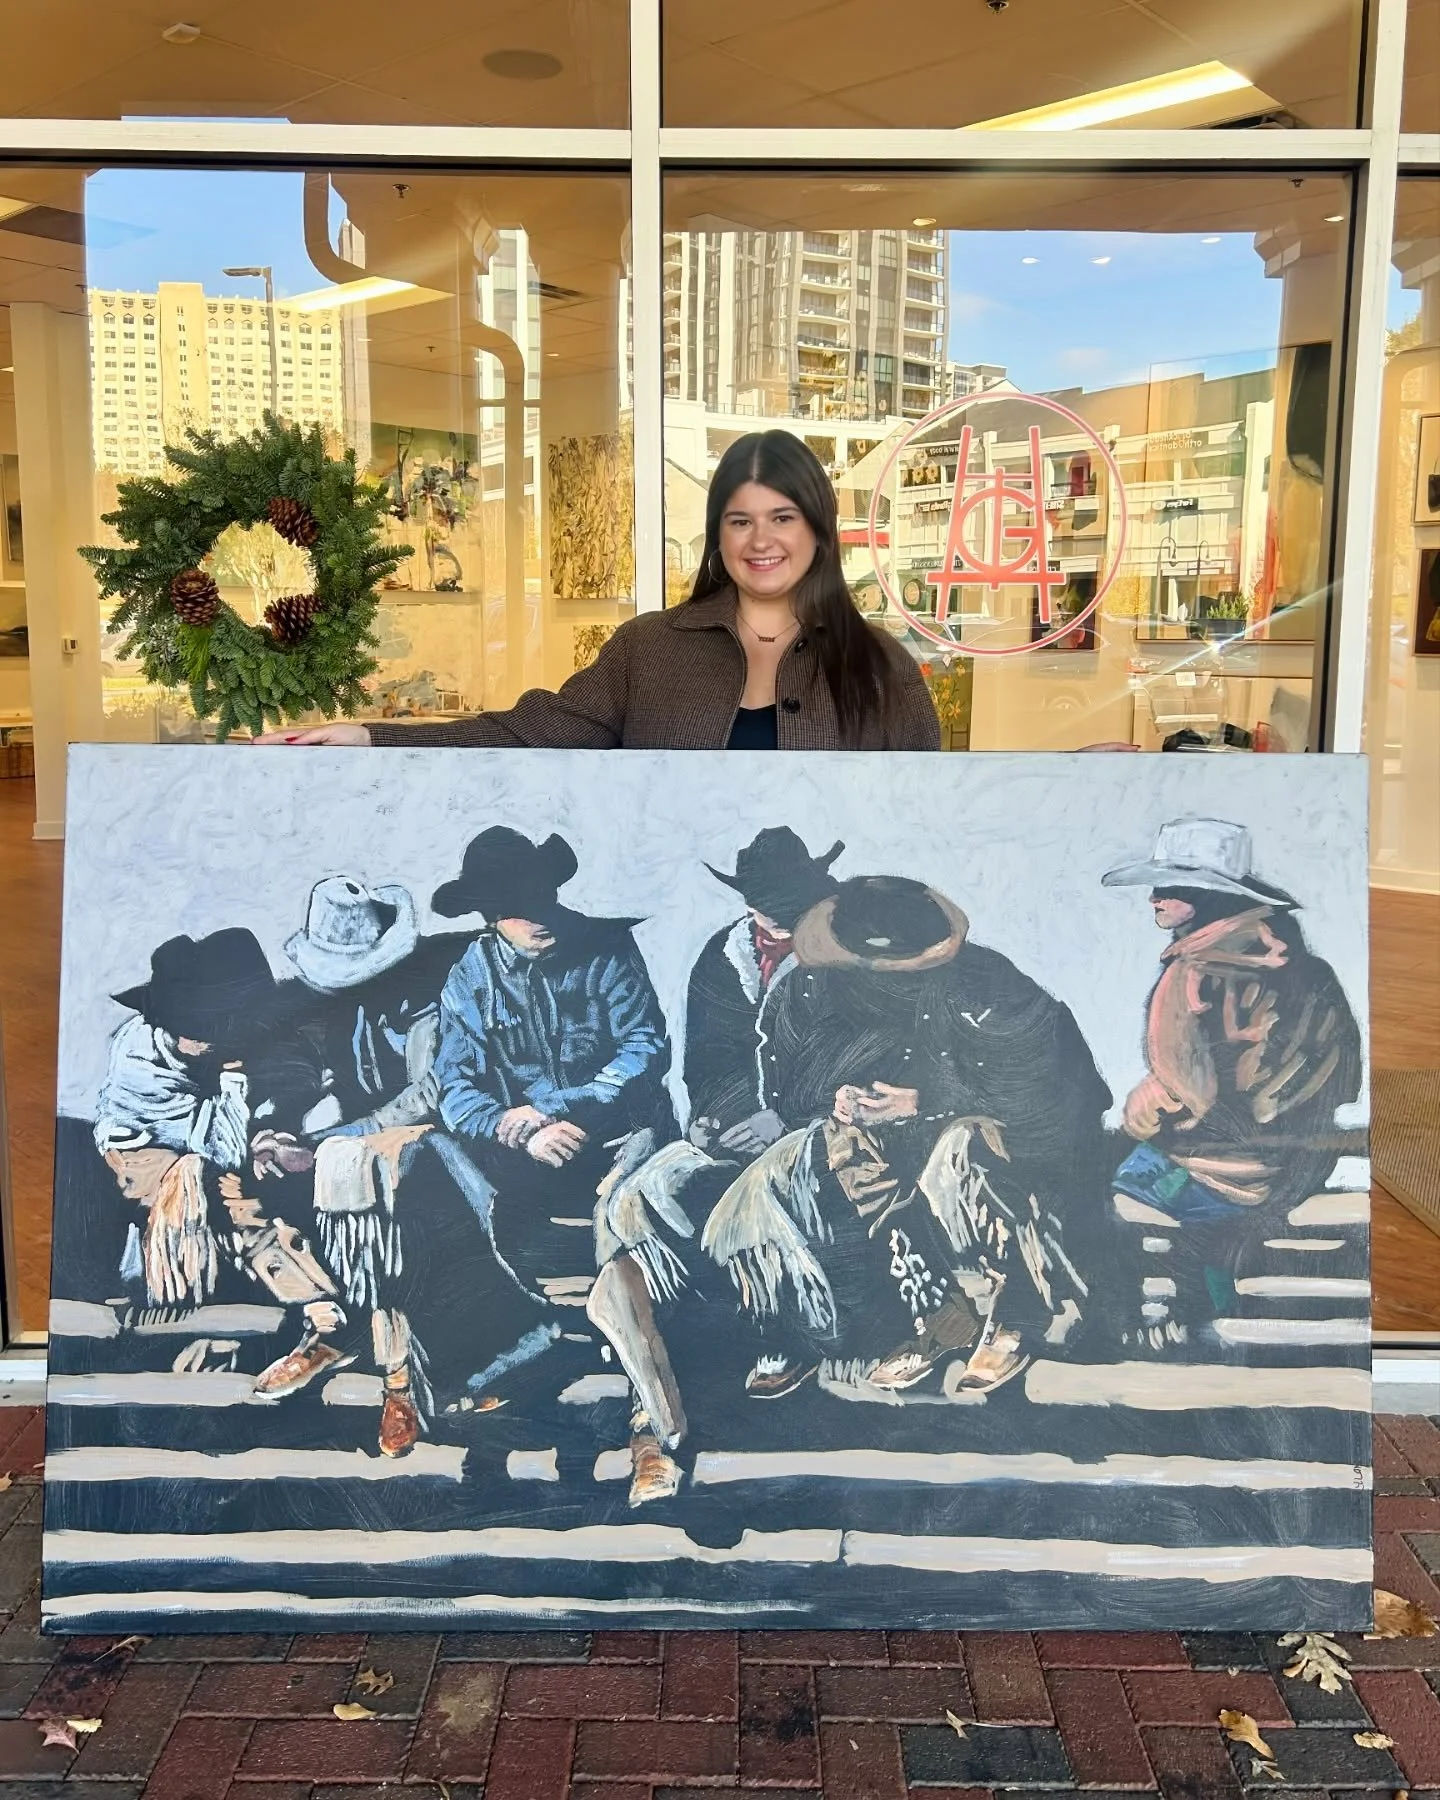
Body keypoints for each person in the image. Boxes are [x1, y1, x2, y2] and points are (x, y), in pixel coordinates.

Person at [256, 431, 941, 753]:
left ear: (818, 529)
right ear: (719, 534)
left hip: (835, 956)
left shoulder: (882, 667)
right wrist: (371, 737)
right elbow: (528, 733)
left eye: (782, 518)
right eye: (741, 520)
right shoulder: (650, 650)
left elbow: (930, 818)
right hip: (668, 921)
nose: (761, 541)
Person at [701, 875, 1113, 1398]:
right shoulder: (811, 988)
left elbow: (1058, 1089)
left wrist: (925, 1102)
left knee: (961, 1150)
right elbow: (788, 1086)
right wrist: (839, 1101)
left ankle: (1018, 1314)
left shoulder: (989, 985)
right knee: (826, 1152)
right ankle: (938, 1316)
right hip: (885, 1147)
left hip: (1001, 1154)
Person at [1101, 816, 1363, 1352]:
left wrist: (1148, 1106)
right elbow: (1341, 1079)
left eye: (1170, 887)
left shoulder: (1194, 973)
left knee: (1090, 1193)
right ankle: (1206, 1296)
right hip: (1297, 1160)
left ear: (1205, 895)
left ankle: (1155, 1316)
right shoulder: (1309, 971)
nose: (1154, 897)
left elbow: (1184, 1088)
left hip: (1220, 1164)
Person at [94, 930, 349, 1412]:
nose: (222, 1035)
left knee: (236, 1179)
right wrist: (234, 1081)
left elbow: (292, 1090)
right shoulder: (140, 1062)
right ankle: (319, 1306)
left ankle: (307, 1316)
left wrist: (271, 1135)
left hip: (210, 1158)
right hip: (138, 1159)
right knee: (210, 1178)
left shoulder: (234, 1042)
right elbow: (222, 1147)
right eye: (206, 1025)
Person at [273, 876, 479, 1457]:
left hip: (449, 1150)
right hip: (374, 1145)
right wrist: (295, 1132)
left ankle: (400, 1384)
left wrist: (340, 1136)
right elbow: (345, 1084)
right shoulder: (352, 1009)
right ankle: (330, 1328)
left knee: (370, 1196)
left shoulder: (428, 1001)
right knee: (293, 1172)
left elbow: (431, 1093)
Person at [684, 828, 843, 1155]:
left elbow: (847, 1054)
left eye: (792, 906)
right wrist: (720, 1116)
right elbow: (710, 1053)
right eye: (770, 906)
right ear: (750, 904)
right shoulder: (723, 955)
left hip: (820, 1130)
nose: (782, 917)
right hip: (744, 1130)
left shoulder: (842, 954)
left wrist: (786, 1117)